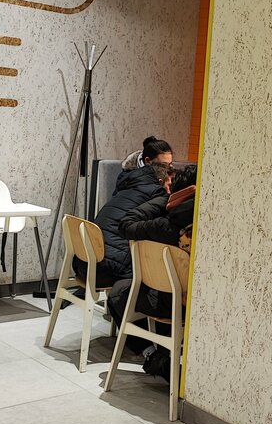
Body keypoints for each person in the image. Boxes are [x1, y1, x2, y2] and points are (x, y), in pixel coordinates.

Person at [107, 165, 197, 376]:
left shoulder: (165, 226)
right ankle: (166, 361)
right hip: (198, 305)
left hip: (171, 304)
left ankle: (154, 357)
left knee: (119, 293)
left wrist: (168, 199)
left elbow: (126, 224)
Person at [74, 160, 171, 288]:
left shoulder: (125, 189)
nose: (170, 190)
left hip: (82, 264)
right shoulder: (156, 194)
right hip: (105, 271)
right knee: (152, 272)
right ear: (160, 182)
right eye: (169, 185)